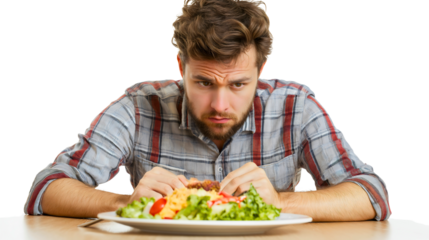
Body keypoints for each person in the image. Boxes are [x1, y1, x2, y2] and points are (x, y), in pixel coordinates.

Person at [23, 0, 391, 221]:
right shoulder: (139, 106)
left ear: (259, 71)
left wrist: (279, 201)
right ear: (181, 68)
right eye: (203, 83)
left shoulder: (296, 106)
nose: (219, 105)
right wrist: (126, 203)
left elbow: (371, 195)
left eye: (237, 85)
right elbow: (44, 190)